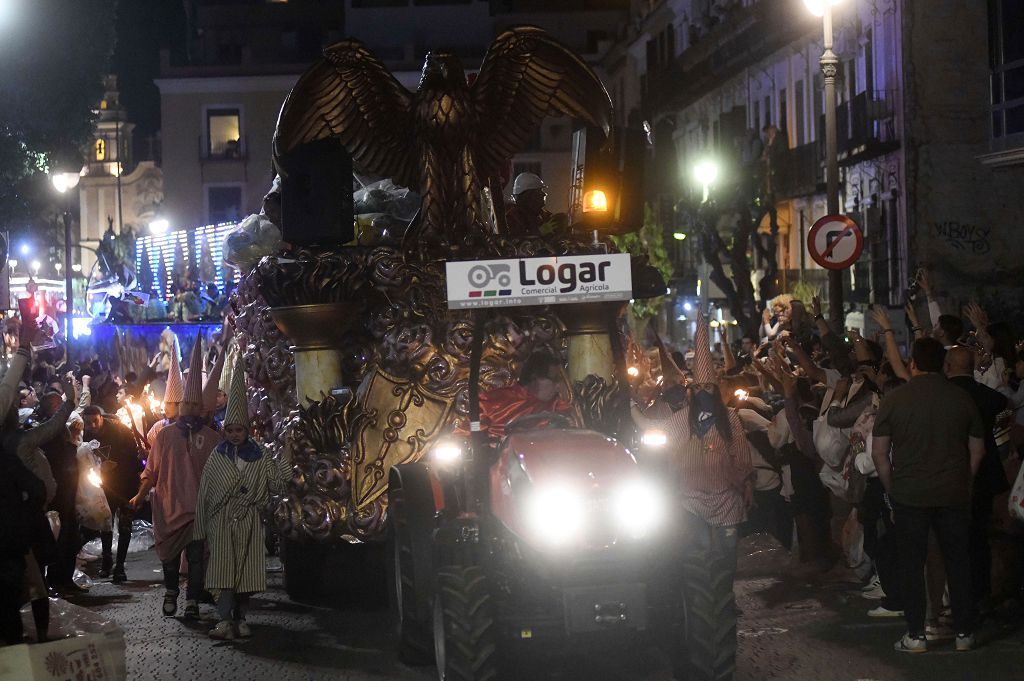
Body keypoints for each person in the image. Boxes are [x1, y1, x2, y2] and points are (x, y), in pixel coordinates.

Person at [871, 338, 985, 653]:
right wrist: (965, 479)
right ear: (944, 365)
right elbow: (978, 448)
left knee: (912, 564)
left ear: (913, 363)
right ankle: (964, 633)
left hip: (910, 493)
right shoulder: (961, 398)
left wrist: (893, 488)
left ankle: (916, 634)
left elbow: (880, 453)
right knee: (957, 563)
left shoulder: (895, 399)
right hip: (953, 492)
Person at [632, 311, 754, 583]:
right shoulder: (679, 420)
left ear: (715, 389)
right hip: (691, 501)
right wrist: (631, 402)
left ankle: (725, 599)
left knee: (726, 557)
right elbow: (649, 428)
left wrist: (745, 485)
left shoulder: (730, 418)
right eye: (696, 387)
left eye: (707, 387)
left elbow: (742, 457)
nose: (702, 392)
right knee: (698, 557)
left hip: (726, 500)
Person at [195, 361, 292, 640]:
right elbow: (206, 491)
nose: (235, 434)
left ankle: (242, 617)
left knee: (246, 574)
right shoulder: (217, 455)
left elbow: (275, 482)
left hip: (249, 520)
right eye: (231, 430)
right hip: (223, 522)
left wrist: (285, 459)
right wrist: (202, 528)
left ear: (247, 430)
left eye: (240, 430)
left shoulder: (260, 453)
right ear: (225, 431)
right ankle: (224, 620)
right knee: (224, 572)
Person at [131, 339, 222, 619]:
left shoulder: (213, 439)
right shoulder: (164, 436)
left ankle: (192, 601)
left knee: (196, 558)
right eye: (186, 403)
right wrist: (139, 495)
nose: (189, 408)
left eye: (194, 403)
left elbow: (221, 475)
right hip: (168, 508)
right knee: (169, 558)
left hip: (197, 509)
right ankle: (172, 592)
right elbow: (153, 471)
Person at [943, 345, 1010, 608]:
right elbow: (1004, 404)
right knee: (979, 535)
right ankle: (980, 592)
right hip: (984, 476)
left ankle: (959, 596)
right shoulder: (986, 396)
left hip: (952, 473)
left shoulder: (946, 396)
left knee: (953, 538)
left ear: (948, 366)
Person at [82, 404, 143, 584]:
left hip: (125, 484)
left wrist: (118, 465)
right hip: (103, 485)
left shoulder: (120, 431)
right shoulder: (86, 435)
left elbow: (134, 457)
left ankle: (120, 566)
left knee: (125, 525)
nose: (92, 426)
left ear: (101, 417)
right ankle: (107, 559)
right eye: (88, 423)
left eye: (95, 421)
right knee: (106, 522)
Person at [475, 351, 574, 439]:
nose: (557, 387)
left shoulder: (558, 406)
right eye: (554, 380)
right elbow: (469, 433)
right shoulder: (489, 401)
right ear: (535, 378)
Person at [504, 172, 566, 239]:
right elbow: (514, 243)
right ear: (527, 196)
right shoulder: (513, 217)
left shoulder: (541, 213)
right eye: (539, 191)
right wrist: (539, 232)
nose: (544, 194)